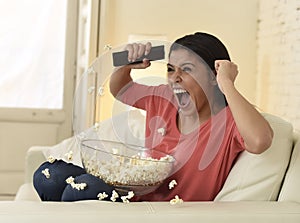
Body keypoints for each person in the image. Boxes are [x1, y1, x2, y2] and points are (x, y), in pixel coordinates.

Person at [33, 32, 273, 202]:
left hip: (160, 209)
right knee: (48, 176)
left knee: (78, 192)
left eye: (187, 69)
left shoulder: (228, 120)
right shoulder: (165, 98)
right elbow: (122, 90)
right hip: (130, 192)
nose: (174, 78)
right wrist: (126, 65)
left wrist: (227, 83)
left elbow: (260, 140)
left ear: (213, 75)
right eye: (171, 69)